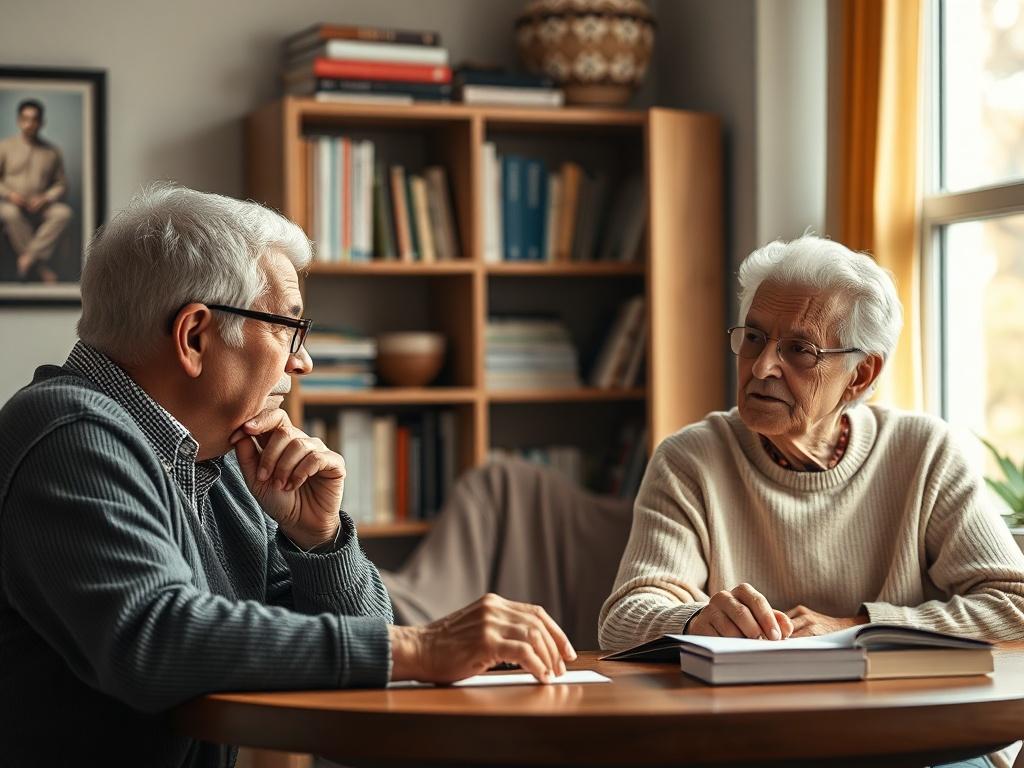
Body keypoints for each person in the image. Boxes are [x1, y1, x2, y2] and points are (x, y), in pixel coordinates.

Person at [0, 185, 575, 768]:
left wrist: (319, 541)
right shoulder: (67, 433)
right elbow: (155, 638)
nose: (302, 361)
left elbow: (354, 666)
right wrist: (424, 646)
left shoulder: (214, 458)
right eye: (286, 328)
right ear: (195, 336)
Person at [599, 234, 1024, 648]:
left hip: (891, 711)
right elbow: (622, 619)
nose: (763, 366)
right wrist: (694, 618)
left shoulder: (924, 453)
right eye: (753, 337)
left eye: (800, 349)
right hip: (739, 712)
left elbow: (1014, 606)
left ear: (860, 376)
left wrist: (856, 627)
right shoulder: (690, 459)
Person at [0, 98, 72, 283]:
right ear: (18, 121)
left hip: (40, 206)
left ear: (41, 122)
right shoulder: (5, 147)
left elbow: (61, 184)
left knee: (63, 213)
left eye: (34, 119)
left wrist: (46, 198)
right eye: (25, 119)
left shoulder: (52, 151)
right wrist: (10, 194)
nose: (29, 124)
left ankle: (28, 259)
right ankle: (39, 268)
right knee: (9, 213)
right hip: (11, 204)